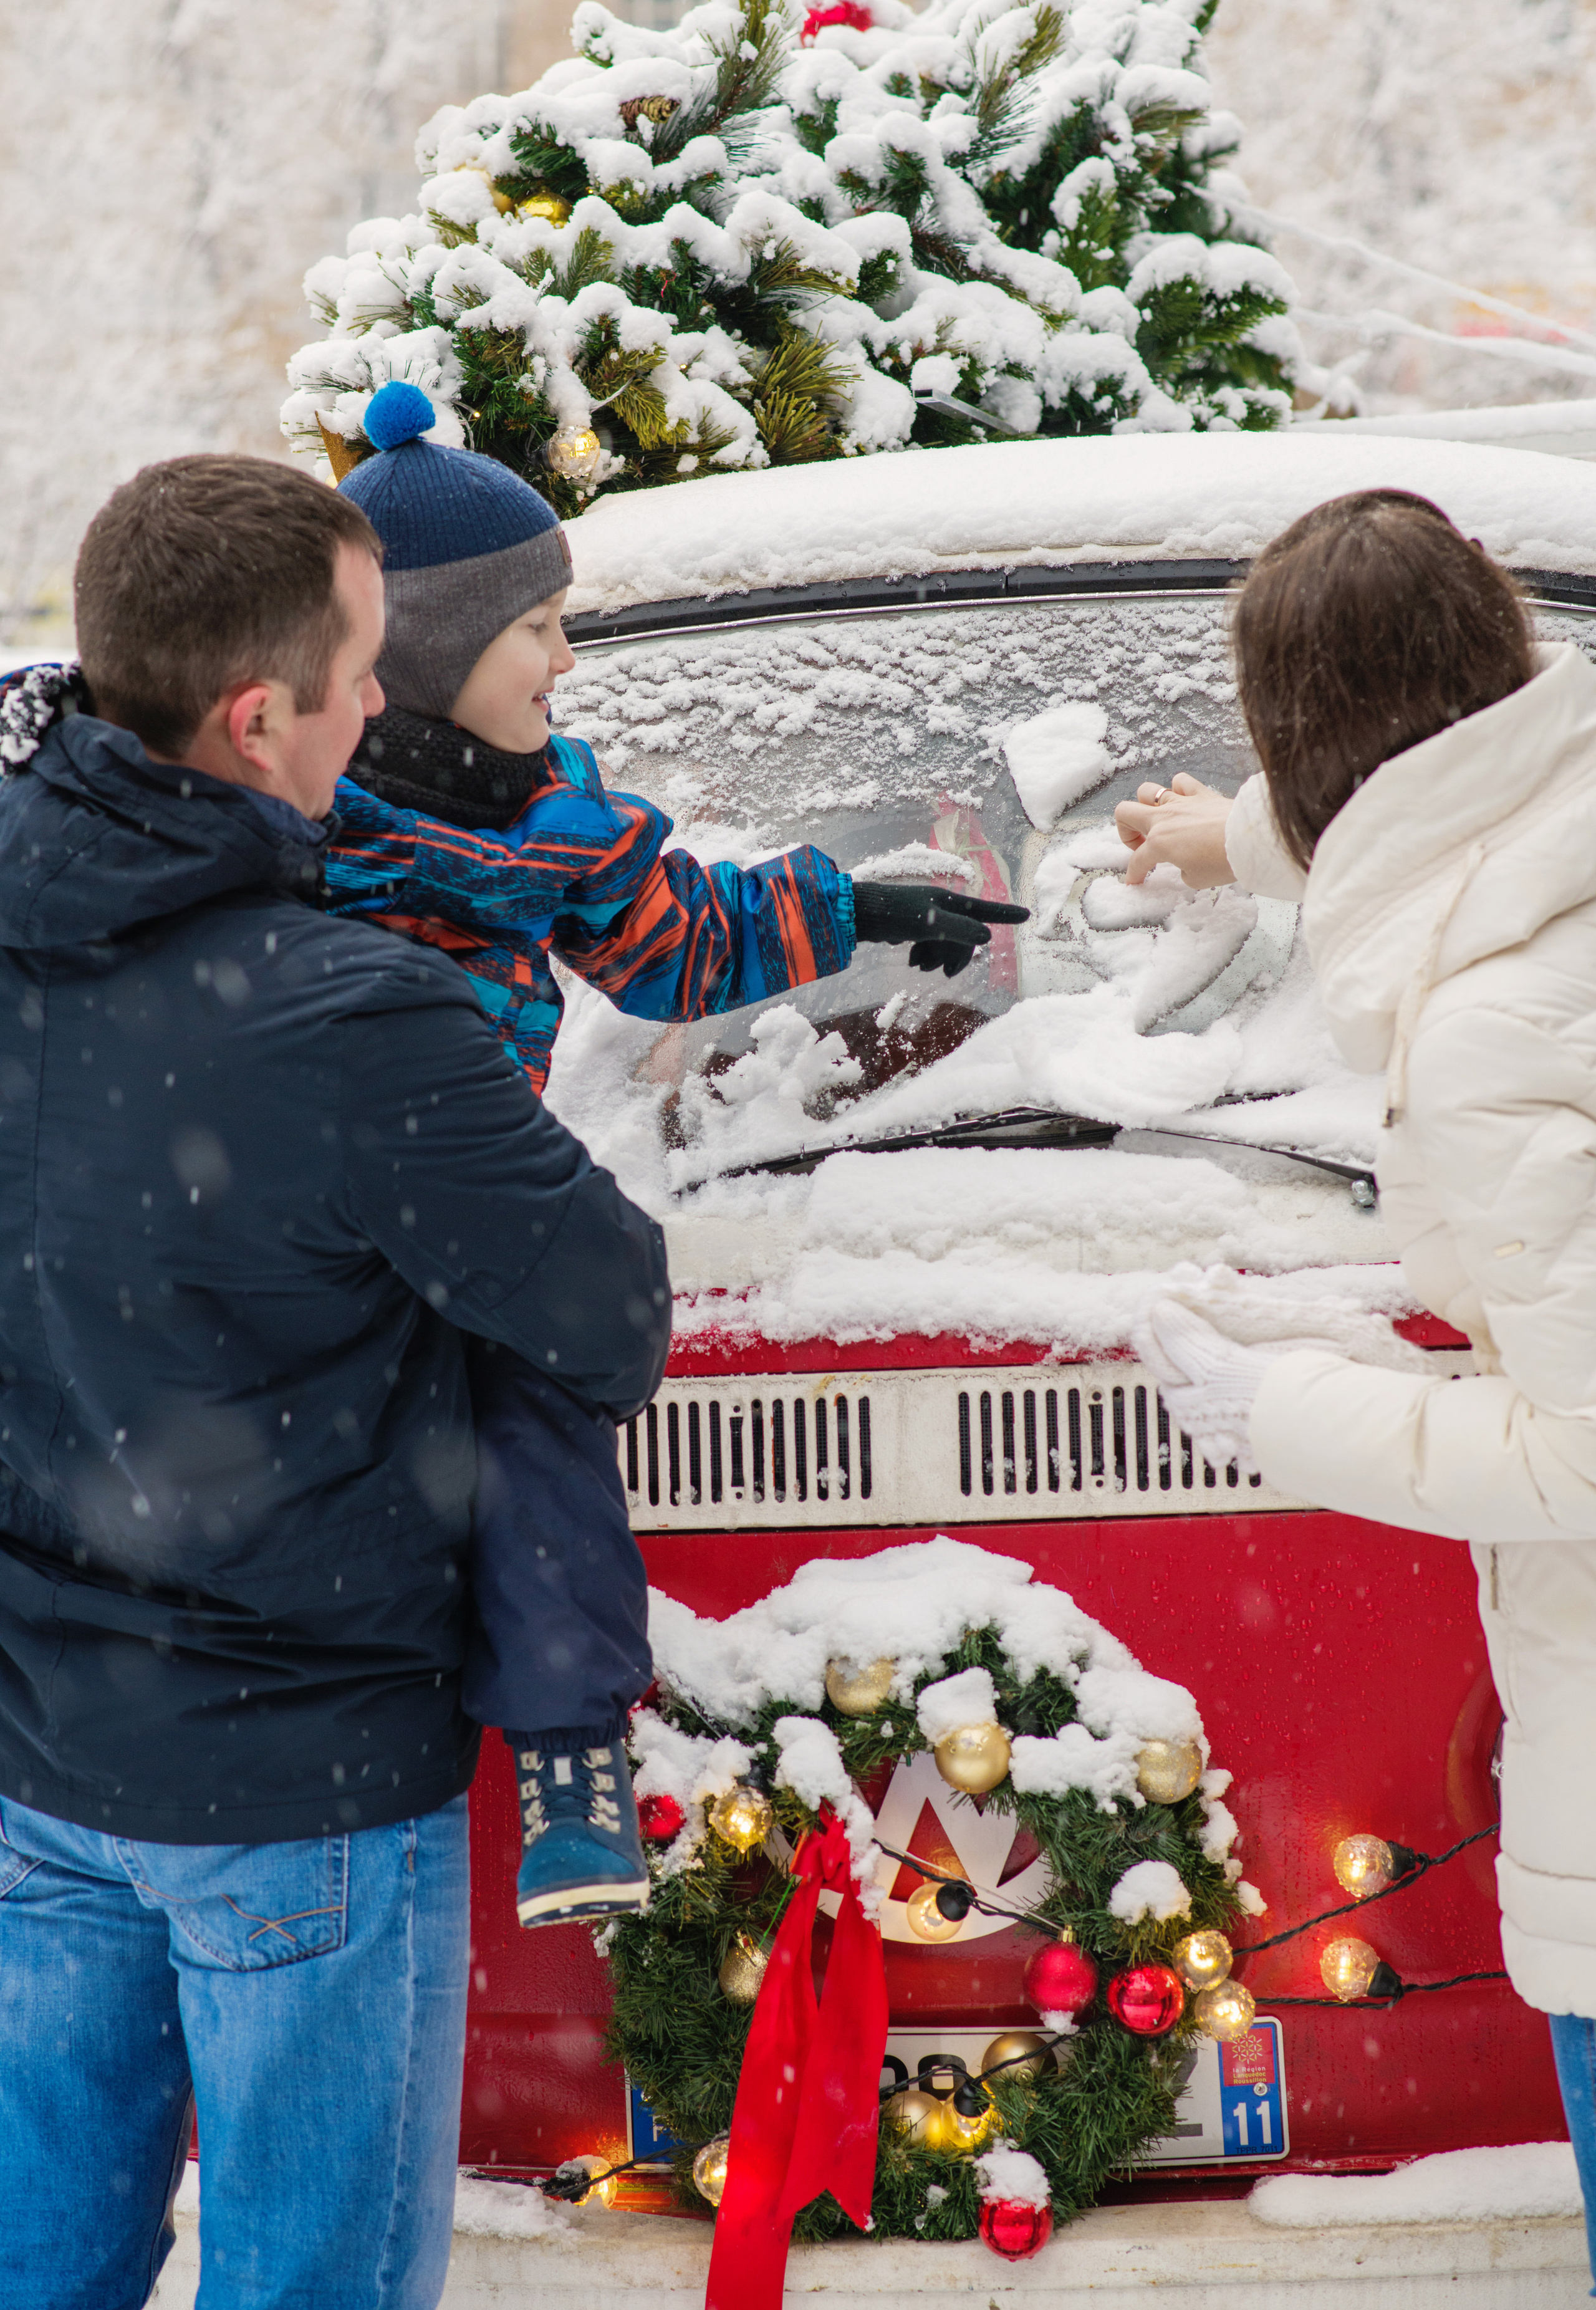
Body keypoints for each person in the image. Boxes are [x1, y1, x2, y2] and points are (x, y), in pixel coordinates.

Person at [0, 453, 670, 2310]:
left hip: (38, 1759)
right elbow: (607, 1310)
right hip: (299, 1793)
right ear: (255, 716)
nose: (381, 707)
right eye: (361, 670)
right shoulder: (353, 1014)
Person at [317, 379, 1029, 1928]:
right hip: (317, 1212)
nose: (566, 660)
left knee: (540, 1402)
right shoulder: (309, 821)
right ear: (427, 651)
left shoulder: (552, 817)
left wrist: (857, 908)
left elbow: (675, 942)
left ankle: (570, 1754)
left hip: (472, 1194)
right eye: (538, 629)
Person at [1123, 488, 1596, 2288]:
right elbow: (1447, 801)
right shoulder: (1557, 808)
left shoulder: (1481, 1042)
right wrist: (1235, 839)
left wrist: (1281, 1407)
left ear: (1304, 751)